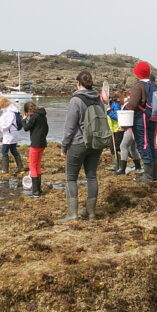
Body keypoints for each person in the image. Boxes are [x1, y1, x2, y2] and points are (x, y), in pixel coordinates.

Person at [59, 70, 108, 222]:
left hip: (78, 143)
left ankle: (72, 214)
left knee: (71, 178)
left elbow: (69, 127)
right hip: (96, 142)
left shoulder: (76, 100)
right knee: (92, 176)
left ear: (78, 83)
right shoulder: (98, 99)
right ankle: (91, 212)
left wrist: (64, 147)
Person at [123, 60, 157, 182]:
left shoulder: (138, 86)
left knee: (143, 144)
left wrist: (125, 104)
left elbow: (132, 105)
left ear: (138, 73)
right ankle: (153, 175)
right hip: (153, 118)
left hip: (142, 119)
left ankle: (148, 176)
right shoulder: (154, 85)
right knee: (151, 143)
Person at [0, 96, 23, 174]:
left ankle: (5, 170)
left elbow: (6, 125)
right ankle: (20, 167)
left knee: (4, 151)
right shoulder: (9, 110)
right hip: (12, 134)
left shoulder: (9, 112)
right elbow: (0, 121)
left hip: (10, 134)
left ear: (3, 104)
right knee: (14, 150)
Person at [20, 101, 48, 197]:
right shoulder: (43, 115)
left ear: (28, 111)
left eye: (26, 112)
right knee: (37, 165)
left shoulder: (34, 116)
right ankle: (38, 190)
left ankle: (35, 192)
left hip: (35, 144)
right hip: (42, 143)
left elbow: (26, 128)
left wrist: (24, 119)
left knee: (32, 165)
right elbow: (47, 129)